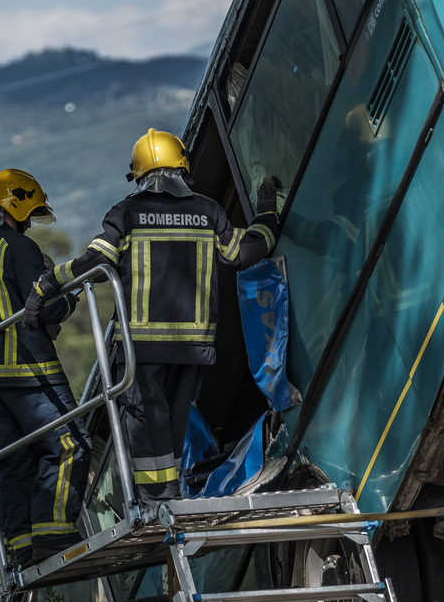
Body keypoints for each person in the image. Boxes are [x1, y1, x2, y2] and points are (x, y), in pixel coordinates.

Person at [23, 128, 280, 504]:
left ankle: (156, 500)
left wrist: (46, 285)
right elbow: (243, 252)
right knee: (175, 421)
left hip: (140, 347)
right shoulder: (207, 210)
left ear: (139, 173)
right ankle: (169, 492)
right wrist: (268, 216)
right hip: (192, 346)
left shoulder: (126, 213)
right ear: (182, 166)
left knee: (146, 423)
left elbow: (94, 262)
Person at [0, 169, 92, 565]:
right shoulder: (17, 247)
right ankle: (55, 535)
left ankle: (23, 547)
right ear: (17, 206)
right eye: (28, 215)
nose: (28, 223)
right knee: (70, 444)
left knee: (10, 463)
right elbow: (47, 305)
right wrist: (70, 299)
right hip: (27, 367)